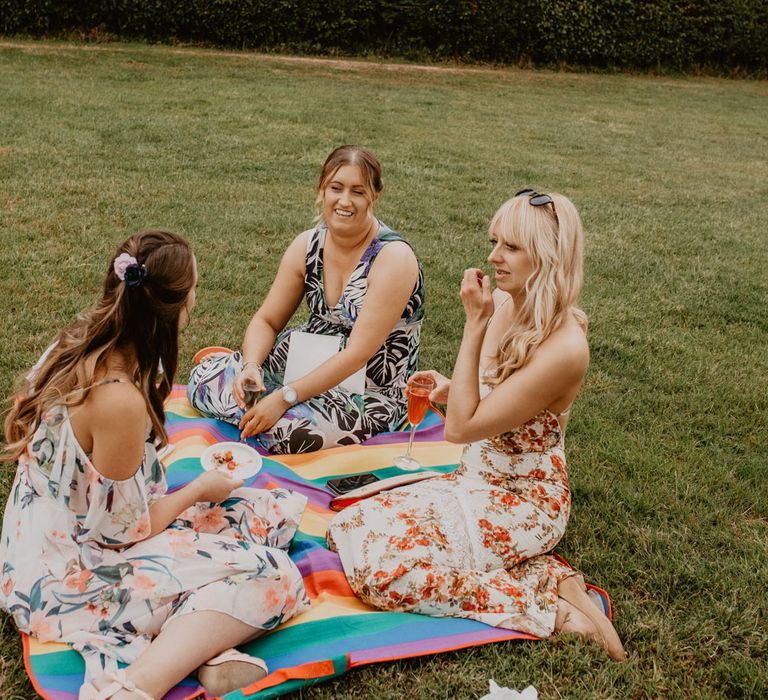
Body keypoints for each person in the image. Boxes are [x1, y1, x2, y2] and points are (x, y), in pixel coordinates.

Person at [0, 230, 309, 700]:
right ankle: (136, 685)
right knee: (275, 574)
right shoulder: (118, 399)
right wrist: (198, 491)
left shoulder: (86, 337)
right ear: (173, 309)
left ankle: (201, 644)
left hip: (52, 532)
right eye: (193, 294)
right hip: (70, 574)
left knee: (264, 514)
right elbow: (123, 532)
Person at [328, 190, 627, 661]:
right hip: (474, 479)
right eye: (494, 241)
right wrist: (452, 386)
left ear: (547, 257)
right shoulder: (510, 305)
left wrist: (474, 324)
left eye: (510, 247)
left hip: (525, 500)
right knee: (349, 525)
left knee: (386, 575)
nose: (493, 257)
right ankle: (545, 574)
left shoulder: (566, 347)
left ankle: (548, 610)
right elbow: (486, 405)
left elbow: (461, 429)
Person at [188, 145, 424, 454]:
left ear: (374, 196)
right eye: (336, 188)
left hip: (369, 388)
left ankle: (272, 408)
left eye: (357, 191)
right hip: (303, 362)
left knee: (286, 432)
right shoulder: (308, 244)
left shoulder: (393, 258)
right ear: (322, 190)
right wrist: (251, 366)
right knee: (201, 381)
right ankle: (255, 390)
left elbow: (358, 353)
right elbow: (267, 320)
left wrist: (284, 398)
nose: (344, 201)